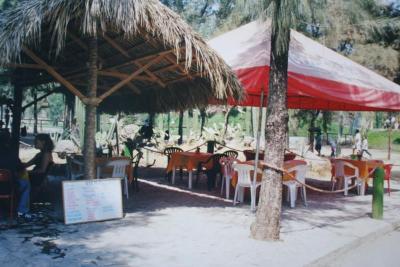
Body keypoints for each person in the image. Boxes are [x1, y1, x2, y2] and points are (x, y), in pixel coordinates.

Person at [0, 131, 31, 219]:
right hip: (8, 187)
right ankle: (22, 211)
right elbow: (20, 168)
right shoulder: (11, 154)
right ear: (8, 142)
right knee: (25, 184)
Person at [24, 134, 54, 199]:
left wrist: (27, 172)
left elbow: (42, 170)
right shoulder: (40, 154)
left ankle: (22, 204)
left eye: (36, 141)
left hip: (37, 178)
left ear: (43, 142)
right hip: (35, 176)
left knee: (18, 181)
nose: (34, 143)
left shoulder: (46, 154)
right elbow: (27, 164)